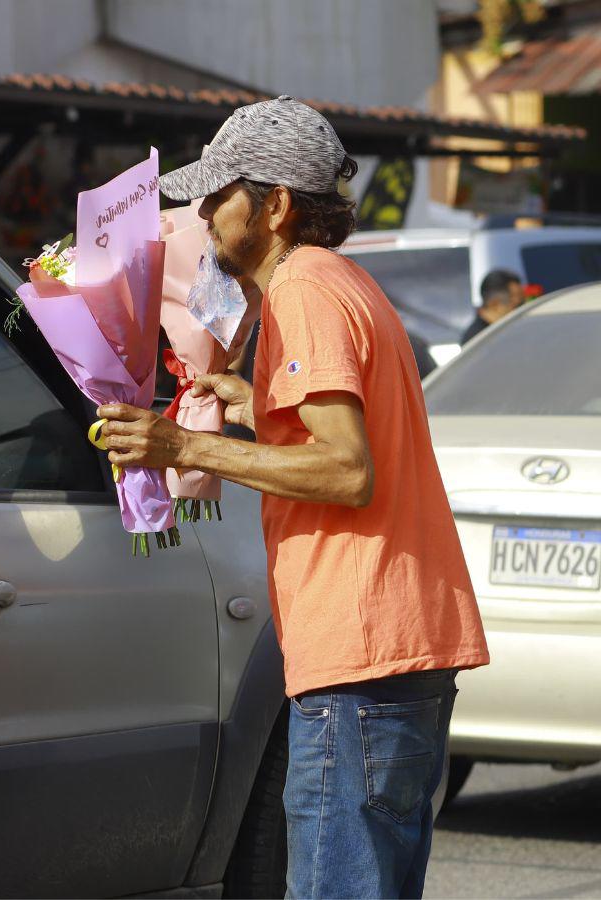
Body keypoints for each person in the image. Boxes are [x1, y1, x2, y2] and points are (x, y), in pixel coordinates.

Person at [98, 97, 489, 899]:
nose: (203, 212)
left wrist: (183, 447)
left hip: (362, 656)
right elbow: (349, 436)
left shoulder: (304, 290)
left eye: (219, 194)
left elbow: (348, 471)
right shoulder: (341, 281)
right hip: (398, 648)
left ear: (275, 206)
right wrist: (250, 404)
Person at [461, 269, 524, 344]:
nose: (522, 306)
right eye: (514, 300)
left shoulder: (508, 330)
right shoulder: (476, 341)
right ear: (494, 304)